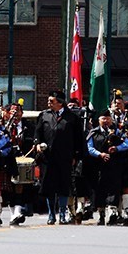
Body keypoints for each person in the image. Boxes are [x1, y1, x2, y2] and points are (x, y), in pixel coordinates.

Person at [33, 90, 85, 225]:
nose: (49, 103)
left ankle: (62, 214)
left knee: (63, 186)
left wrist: (76, 156)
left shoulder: (72, 118)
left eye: (52, 101)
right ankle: (51, 214)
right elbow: (37, 133)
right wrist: (38, 144)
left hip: (65, 157)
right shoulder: (44, 115)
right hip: (47, 157)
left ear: (60, 103)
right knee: (48, 186)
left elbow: (79, 139)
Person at [86, 110, 128, 226]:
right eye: (103, 119)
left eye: (108, 118)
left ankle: (113, 214)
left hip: (114, 166)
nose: (106, 121)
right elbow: (89, 148)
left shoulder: (117, 132)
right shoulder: (94, 133)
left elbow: (127, 144)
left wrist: (117, 148)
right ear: (99, 120)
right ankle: (101, 215)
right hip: (98, 166)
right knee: (99, 190)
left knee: (114, 189)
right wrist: (100, 154)